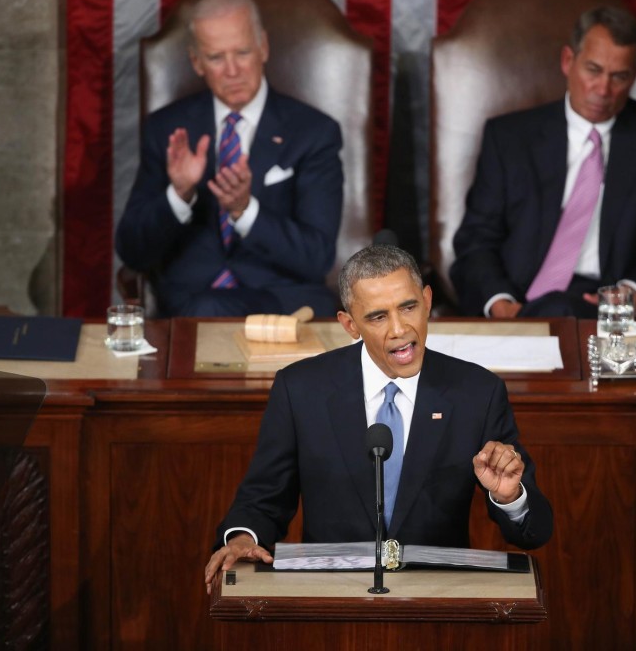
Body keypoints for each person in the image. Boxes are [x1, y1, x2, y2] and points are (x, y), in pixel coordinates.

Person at [204, 244, 553, 592]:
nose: (400, 328)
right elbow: (263, 498)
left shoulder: (477, 392)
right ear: (350, 324)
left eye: (408, 307)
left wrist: (510, 497)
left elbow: (534, 531)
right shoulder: (300, 389)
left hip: (437, 598)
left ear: (427, 300)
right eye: (378, 316)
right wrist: (239, 539)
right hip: (328, 595)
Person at [450, 5, 636, 320]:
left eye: (619, 76)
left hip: (609, 309)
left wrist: (630, 296)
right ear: (568, 61)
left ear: (635, 77)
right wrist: (500, 304)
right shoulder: (509, 138)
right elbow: (476, 239)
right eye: (593, 70)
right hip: (520, 302)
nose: (603, 90)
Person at [116, 0, 343, 317]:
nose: (232, 70)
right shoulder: (167, 129)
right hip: (190, 307)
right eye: (216, 58)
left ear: (263, 47)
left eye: (242, 52)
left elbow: (316, 256)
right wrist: (178, 195)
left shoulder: (314, 132)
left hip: (284, 305)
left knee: (213, 310)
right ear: (196, 62)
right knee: (204, 311)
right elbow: (133, 252)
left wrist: (244, 210)